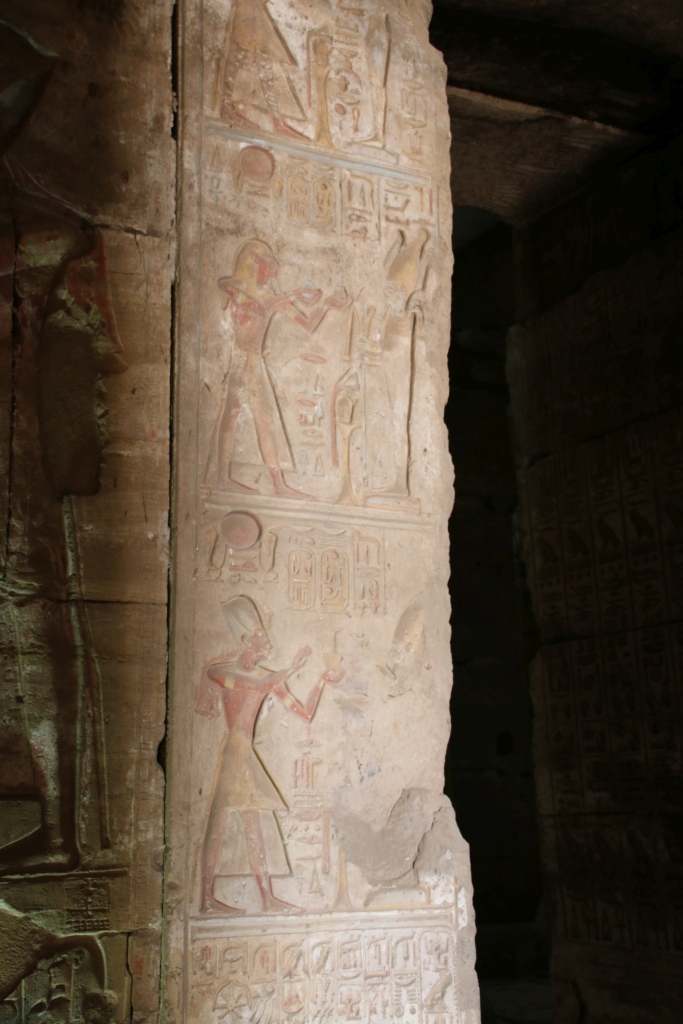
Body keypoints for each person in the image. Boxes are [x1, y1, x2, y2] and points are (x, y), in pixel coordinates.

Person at [195, 597, 344, 914]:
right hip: (233, 750)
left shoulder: (267, 677)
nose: (267, 640)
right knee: (219, 821)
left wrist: (321, 680)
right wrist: (290, 668)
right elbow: (255, 684)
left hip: (245, 753)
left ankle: (266, 898)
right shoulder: (222, 672)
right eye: (261, 634)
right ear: (246, 640)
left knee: (252, 825)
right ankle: (206, 898)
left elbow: (303, 712)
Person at [209, 239, 349, 497]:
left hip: (255, 364)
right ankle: (222, 478)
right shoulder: (236, 288)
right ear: (256, 263)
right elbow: (258, 307)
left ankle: (277, 484)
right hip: (241, 360)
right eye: (270, 267)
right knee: (232, 416)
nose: (273, 275)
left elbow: (307, 324)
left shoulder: (272, 298)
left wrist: (326, 304)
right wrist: (292, 294)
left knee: (265, 420)